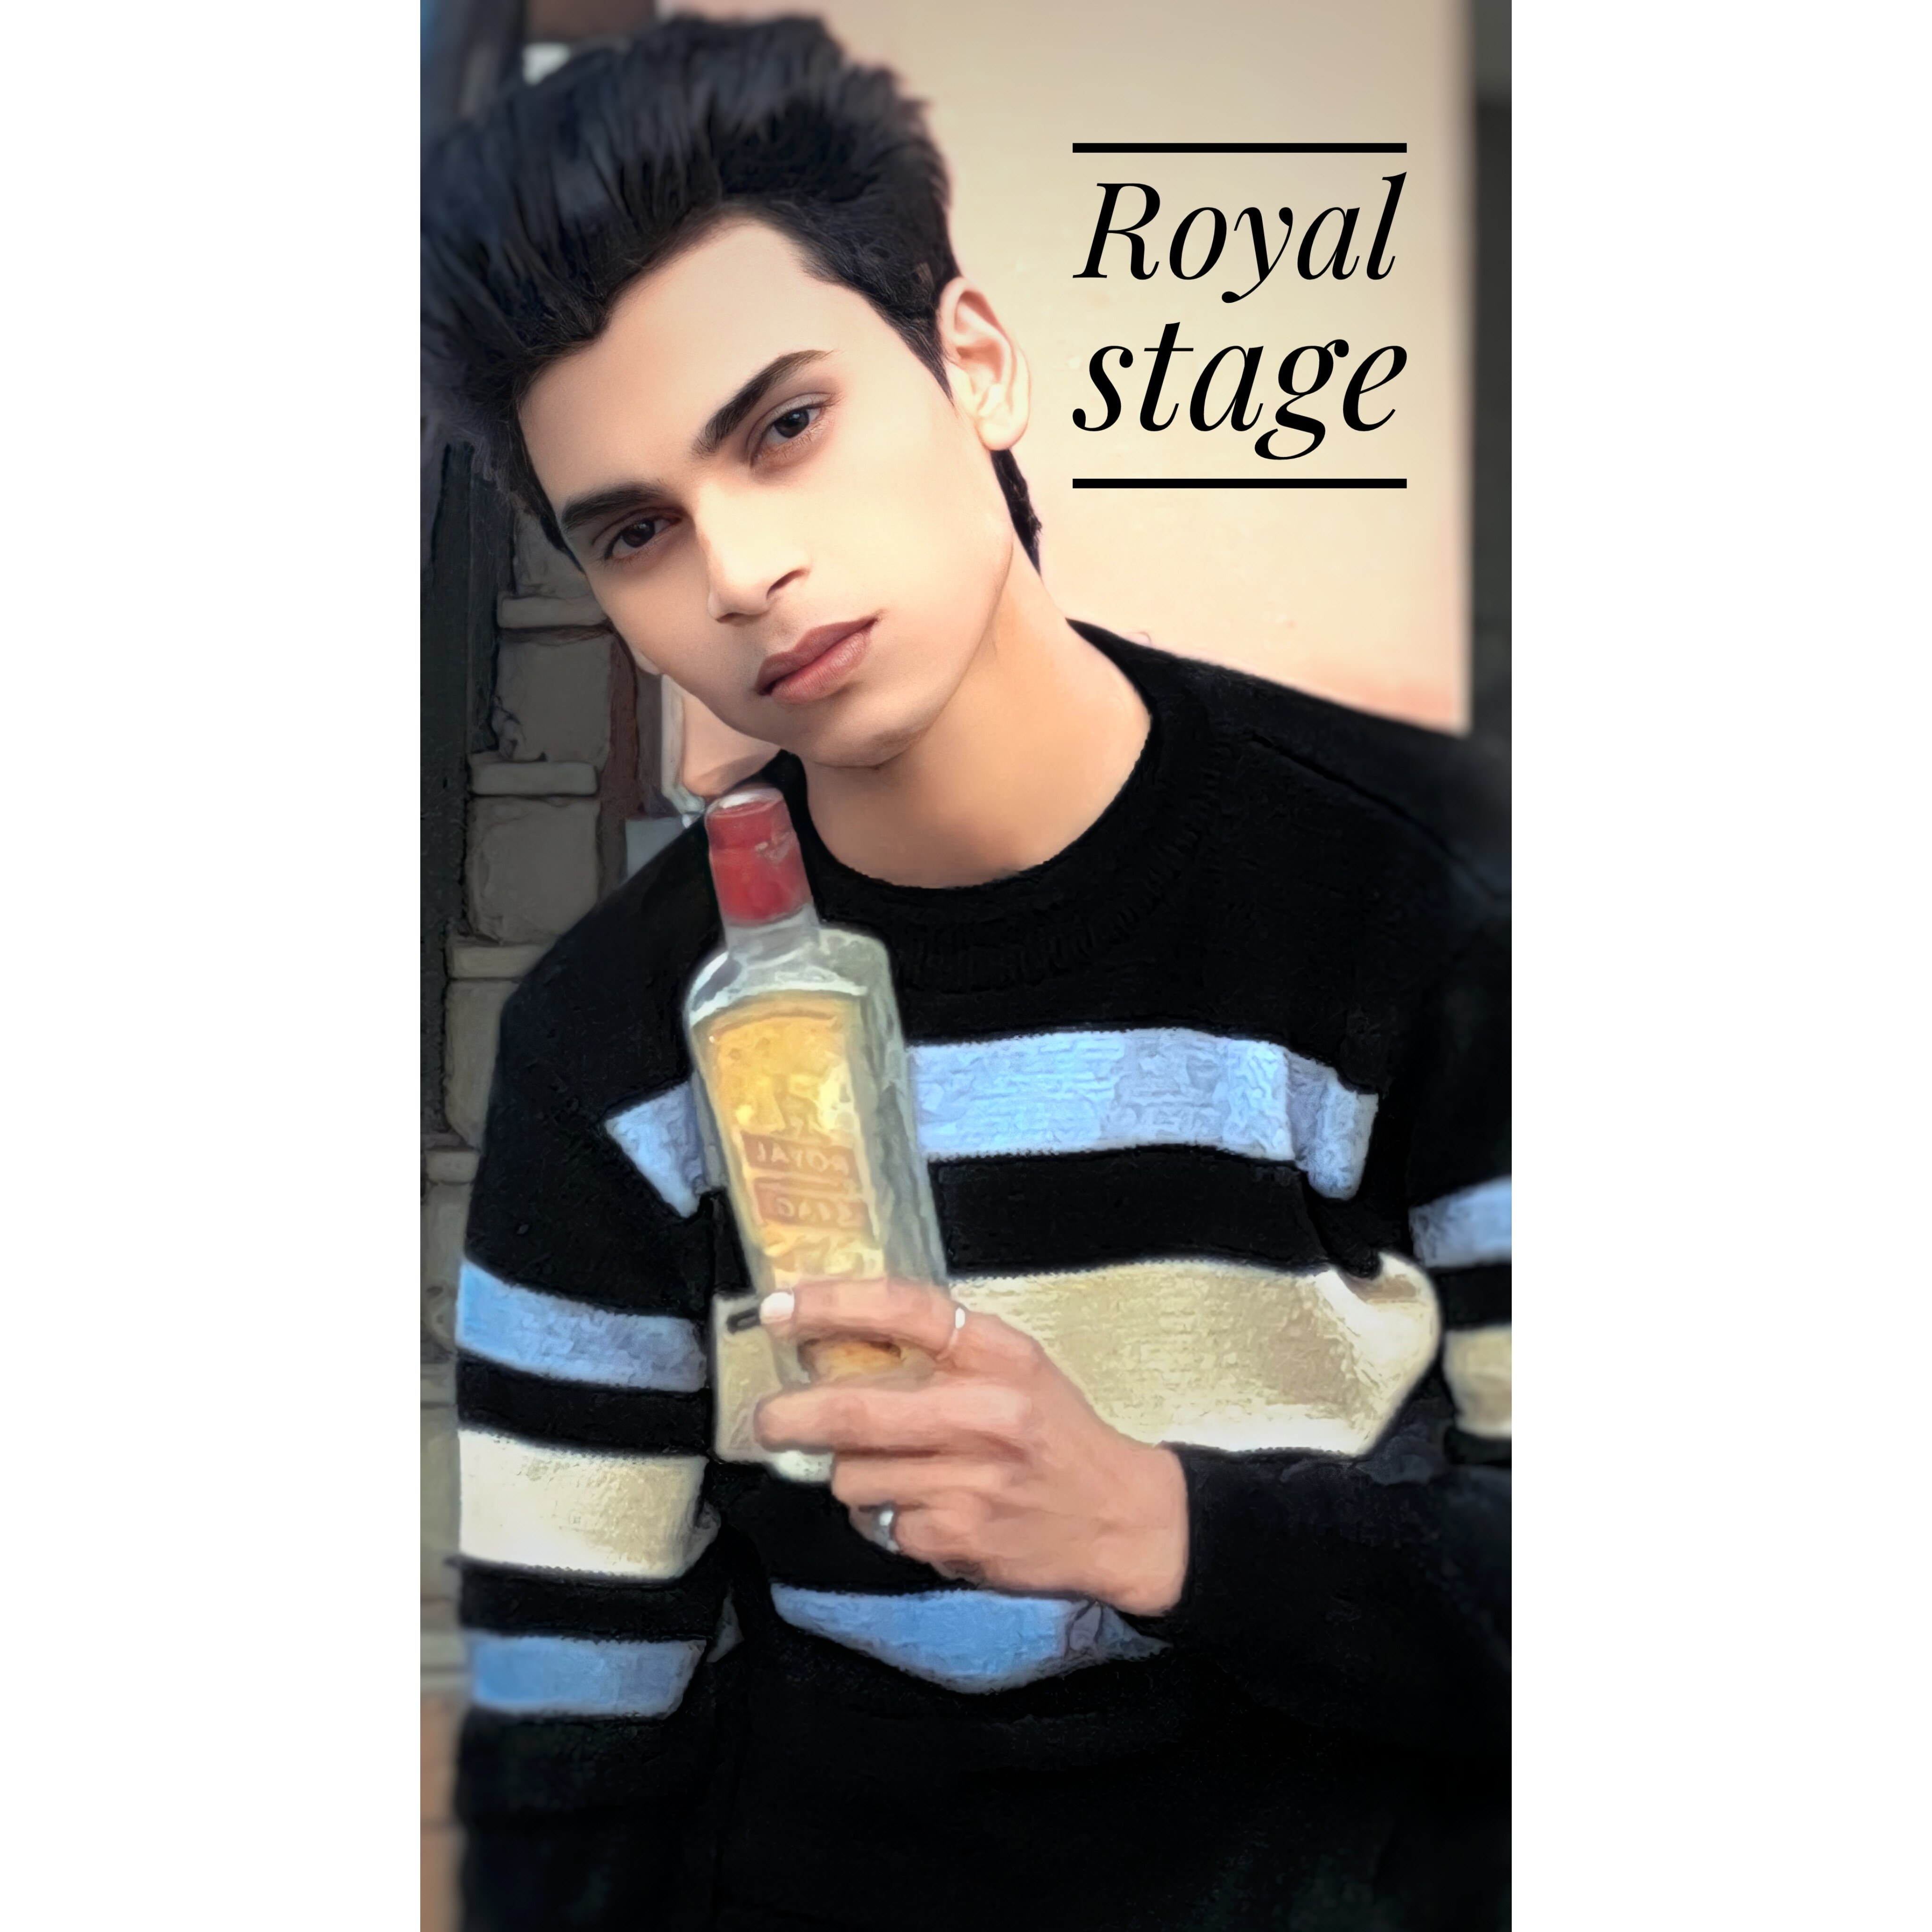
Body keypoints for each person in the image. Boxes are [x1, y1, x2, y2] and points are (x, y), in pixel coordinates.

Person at [422, 16, 1510, 1931]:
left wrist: (1163, 1525)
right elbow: (576, 1733)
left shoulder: (1424, 895)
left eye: (784, 426)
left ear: (974, 366)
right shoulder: (613, 1045)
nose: (737, 570)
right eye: (638, 530)